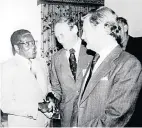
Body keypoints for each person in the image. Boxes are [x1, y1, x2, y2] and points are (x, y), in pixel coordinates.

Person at [70, 6, 142, 127]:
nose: (82, 37)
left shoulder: (129, 64)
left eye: (85, 31)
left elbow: (115, 116)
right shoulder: (95, 60)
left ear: (101, 30)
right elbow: (80, 101)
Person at [1, 29, 53, 127]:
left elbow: (47, 88)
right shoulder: (6, 67)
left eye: (33, 43)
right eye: (27, 44)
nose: (33, 47)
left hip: (46, 124)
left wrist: (51, 96)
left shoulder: (42, 63)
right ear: (16, 47)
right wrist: (37, 106)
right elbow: (5, 104)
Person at [50, 16, 93, 127]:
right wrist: (52, 101)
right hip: (67, 117)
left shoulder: (92, 52)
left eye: (62, 35)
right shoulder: (56, 58)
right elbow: (56, 89)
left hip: (92, 114)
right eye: (57, 37)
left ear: (74, 29)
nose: (60, 40)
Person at [117, 17, 142, 127]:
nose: (116, 33)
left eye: (118, 29)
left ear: (125, 28)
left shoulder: (139, 44)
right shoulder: (114, 50)